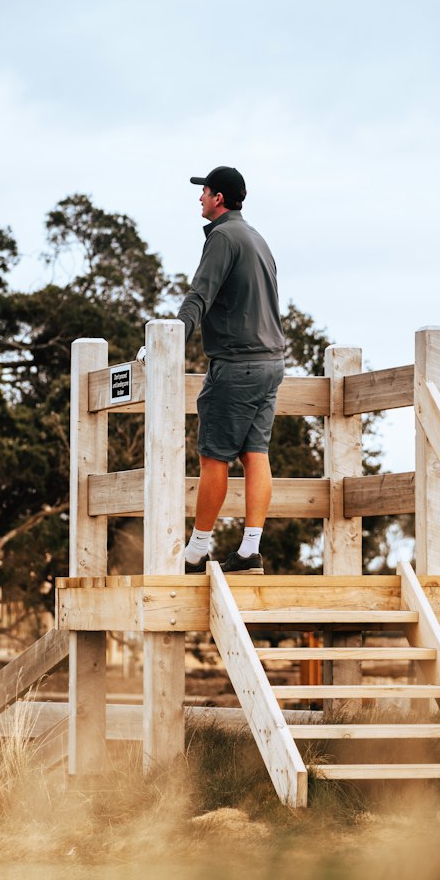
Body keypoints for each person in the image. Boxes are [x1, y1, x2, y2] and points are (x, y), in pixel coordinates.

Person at [174, 165, 286, 575]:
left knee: (213, 457)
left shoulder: (222, 237)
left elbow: (199, 295)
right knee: (256, 453)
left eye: (203, 192)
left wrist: (169, 338)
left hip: (237, 364)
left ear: (218, 197)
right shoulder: (257, 237)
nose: (199, 198)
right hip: (272, 362)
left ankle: (197, 550)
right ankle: (249, 551)